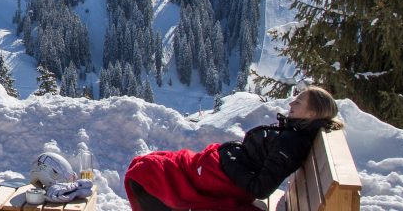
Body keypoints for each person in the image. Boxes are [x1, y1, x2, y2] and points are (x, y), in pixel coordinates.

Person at [124, 86, 344, 211]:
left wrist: (228, 159)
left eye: (298, 102)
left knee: (147, 171)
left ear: (312, 113)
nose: (291, 103)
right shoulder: (294, 134)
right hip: (219, 168)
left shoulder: (291, 143)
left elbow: (260, 188)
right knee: (152, 165)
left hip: (221, 174)